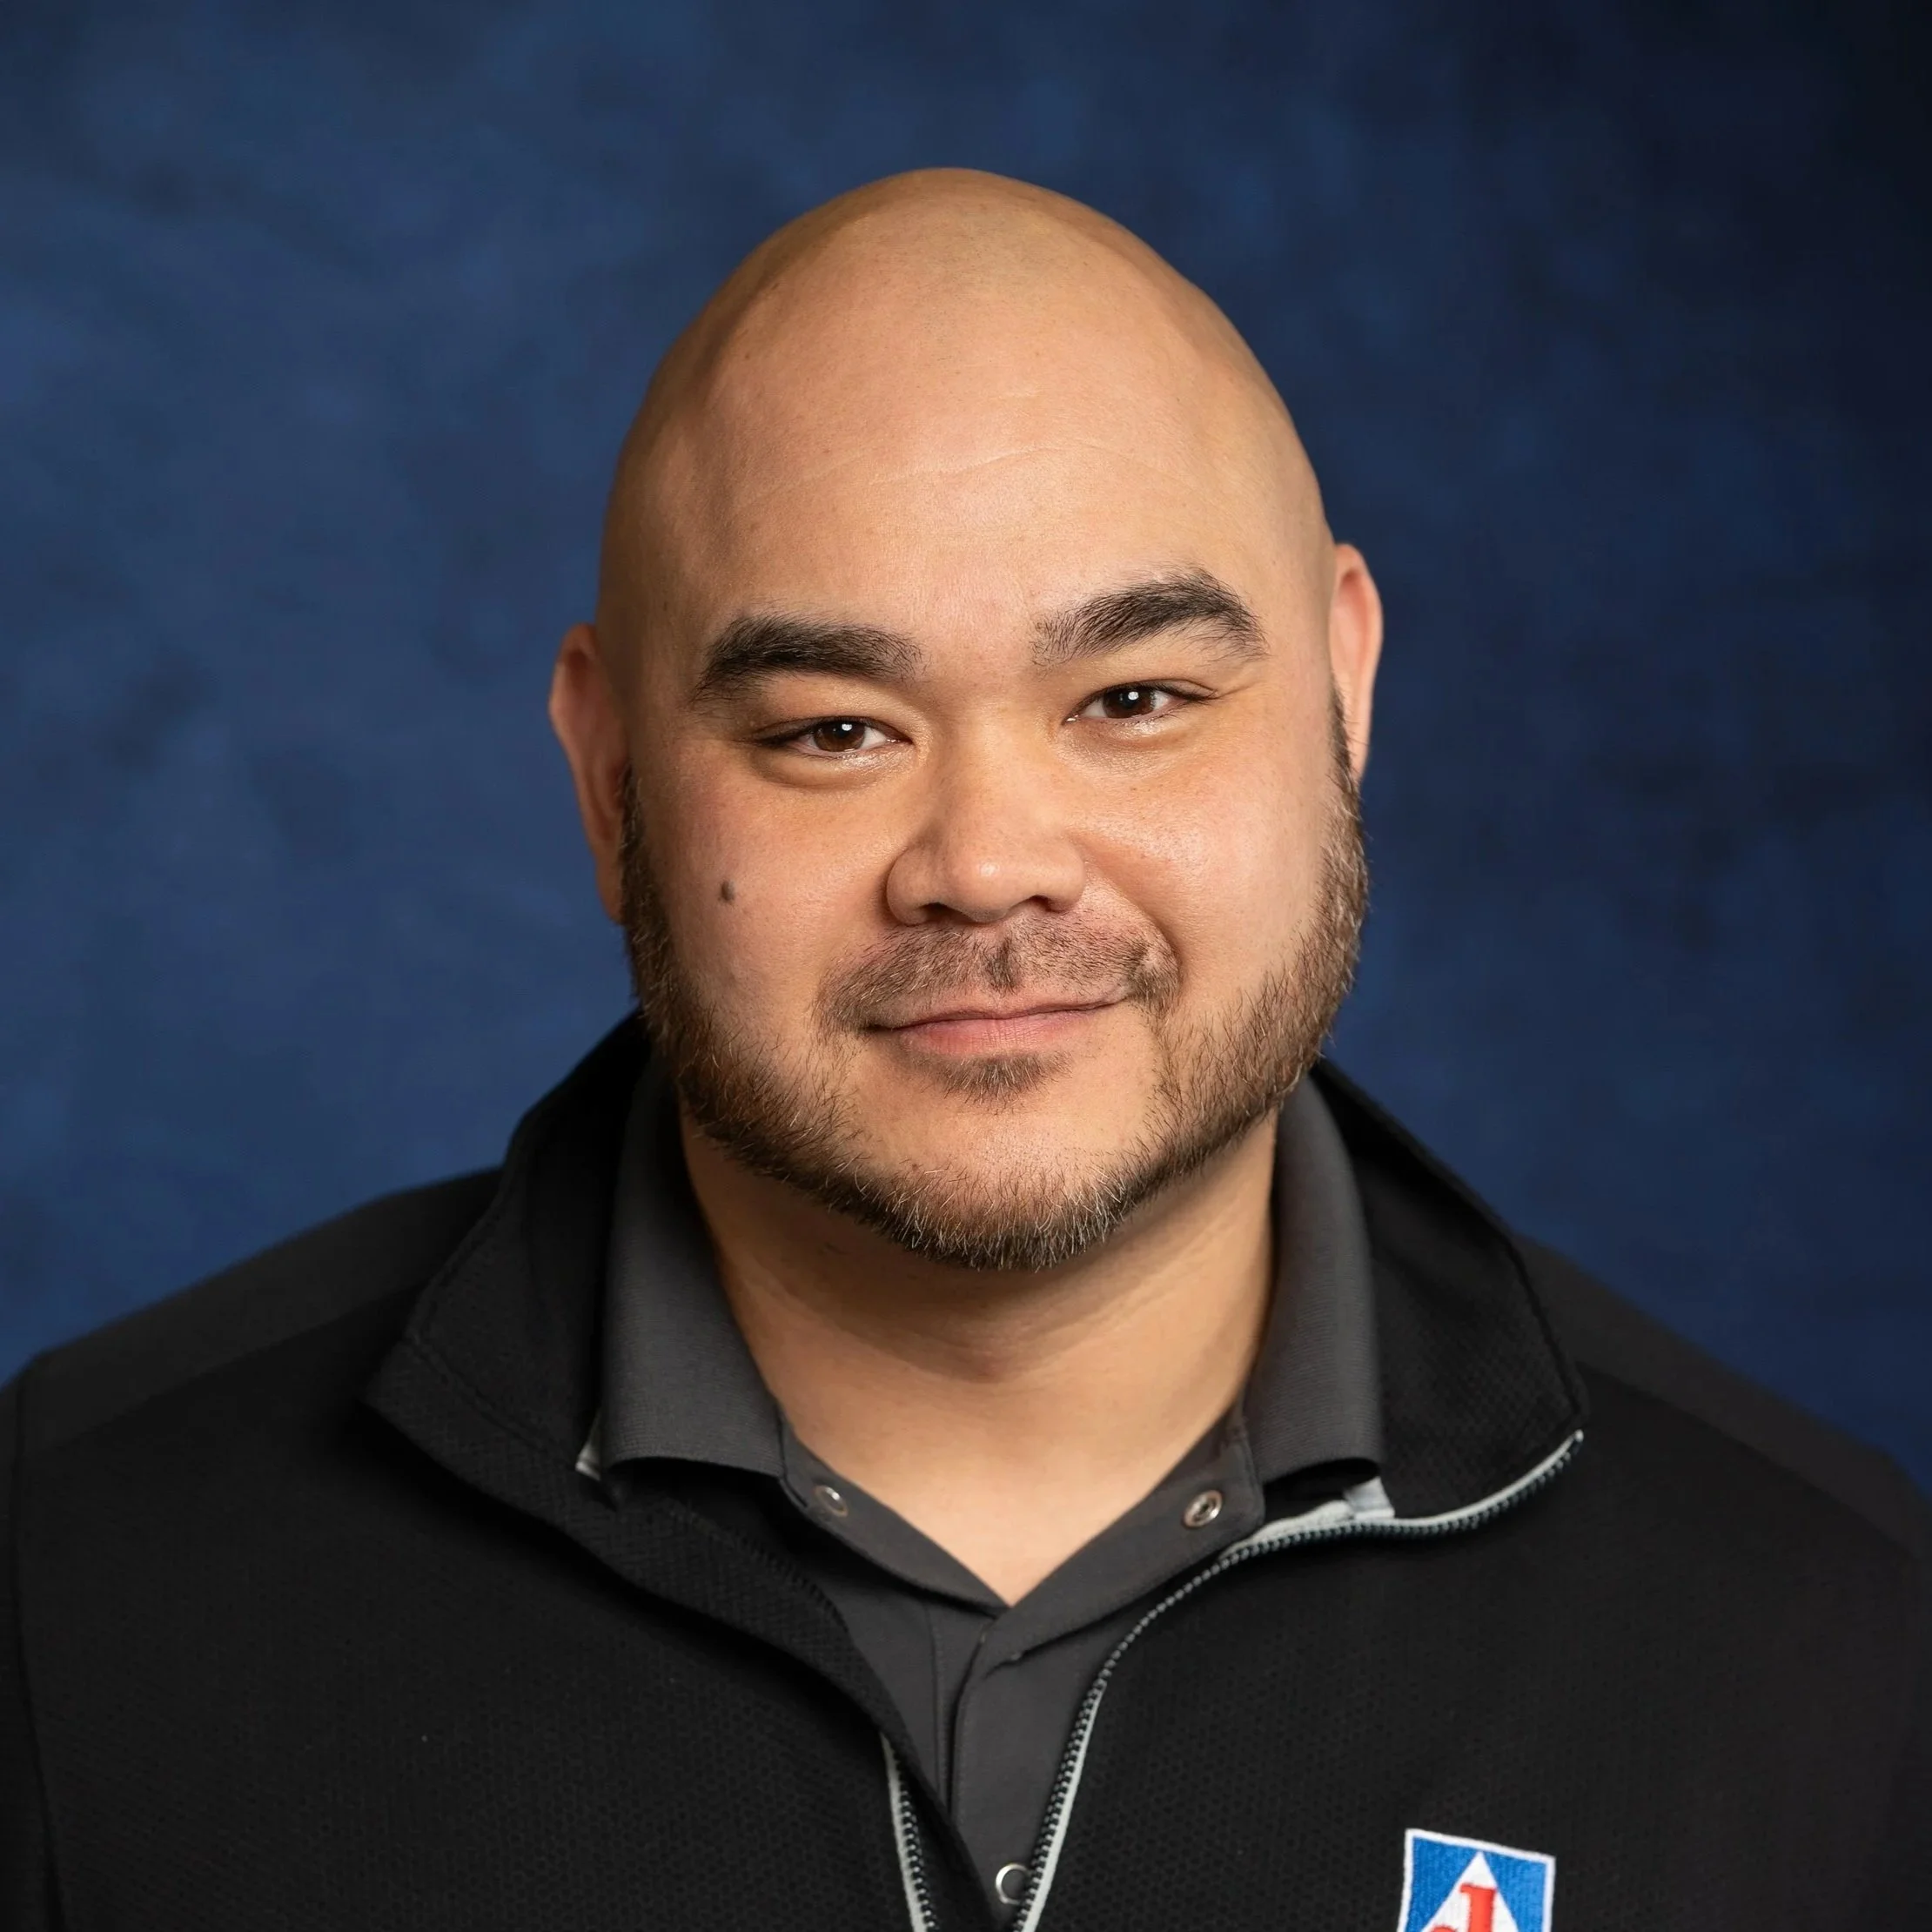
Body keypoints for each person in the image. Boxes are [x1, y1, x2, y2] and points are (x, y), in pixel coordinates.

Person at [2, 170, 1925, 1932]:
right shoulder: (71, 1583)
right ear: (606, 783)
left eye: (1139, 697)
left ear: (1344, 695)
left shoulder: (1835, 1649)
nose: (987, 861)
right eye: (833, 729)